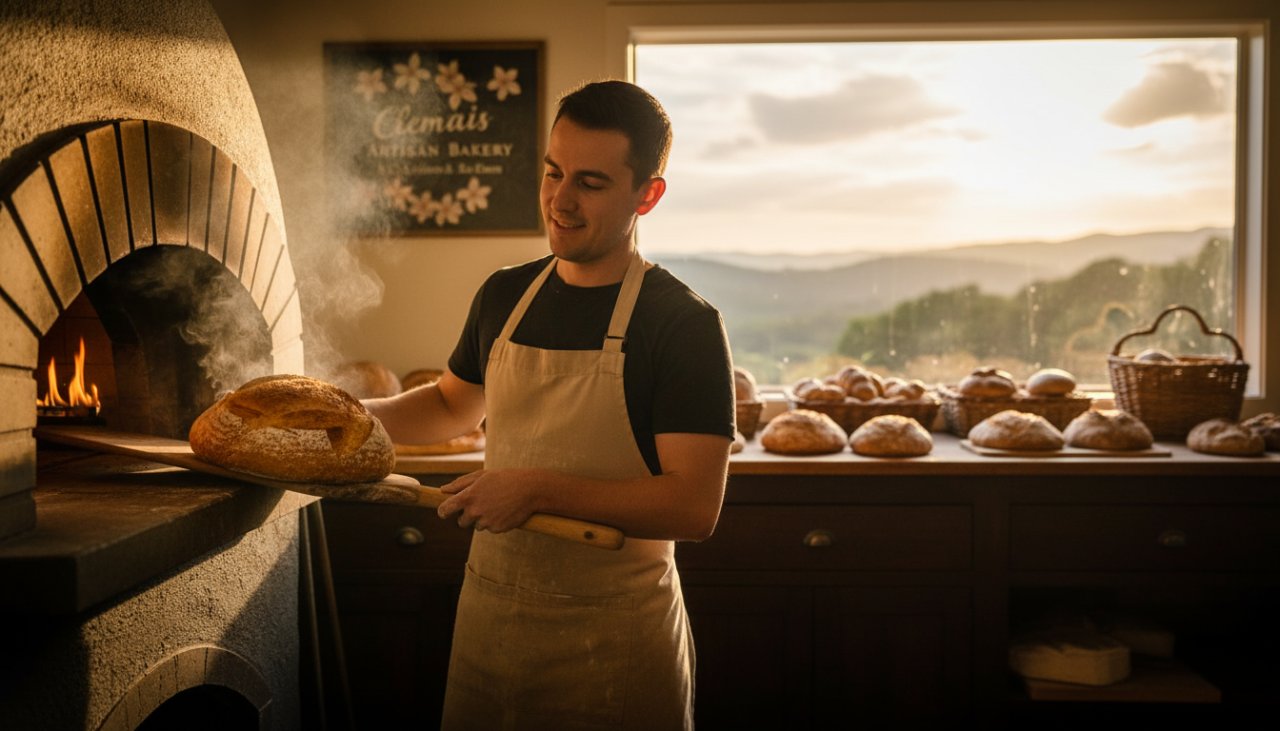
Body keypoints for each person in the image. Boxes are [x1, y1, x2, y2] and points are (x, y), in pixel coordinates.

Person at [362, 79, 735, 730]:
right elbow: (452, 405)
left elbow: (692, 505)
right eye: (553, 172)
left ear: (648, 194)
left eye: (589, 182)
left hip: (615, 643)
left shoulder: (682, 323)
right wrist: (339, 417)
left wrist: (534, 489)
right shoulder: (506, 294)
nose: (560, 200)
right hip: (489, 626)